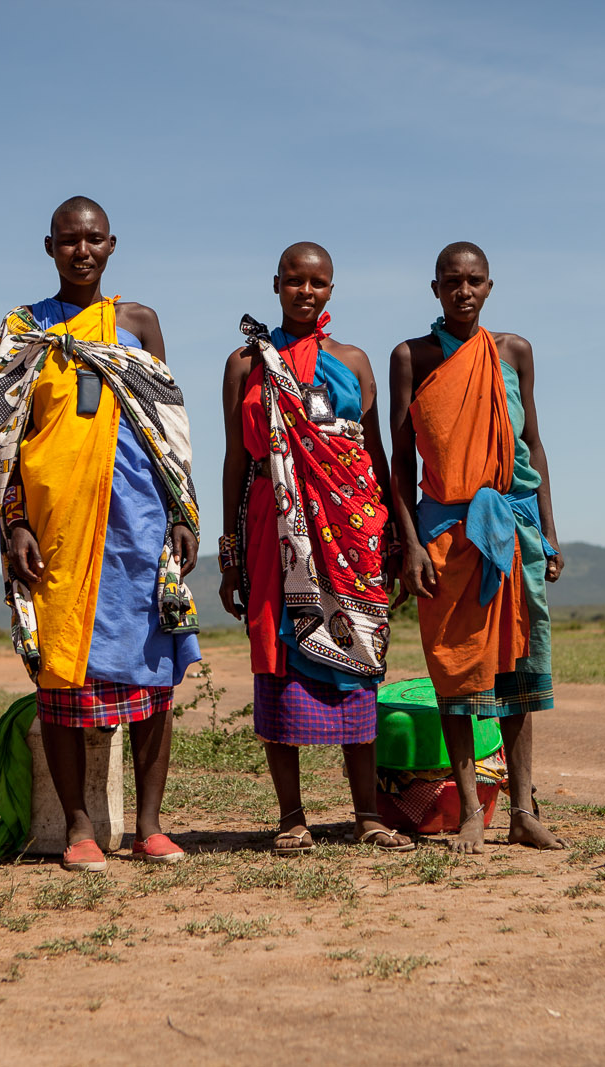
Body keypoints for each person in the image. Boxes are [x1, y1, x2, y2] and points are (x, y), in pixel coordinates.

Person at [0, 197, 200, 871]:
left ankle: (149, 824)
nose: (82, 251)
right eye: (69, 240)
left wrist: (181, 513)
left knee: (153, 672)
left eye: (94, 240)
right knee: (62, 677)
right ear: (49, 246)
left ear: (112, 246)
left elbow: (167, 429)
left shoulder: (138, 323)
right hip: (53, 529)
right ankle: (80, 826)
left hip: (138, 522)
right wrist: (15, 518)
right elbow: (7, 441)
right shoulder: (22, 333)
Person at [218, 243, 412, 854]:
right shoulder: (246, 362)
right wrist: (228, 552)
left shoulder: (352, 361)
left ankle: (367, 814)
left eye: (318, 282)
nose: (306, 291)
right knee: (278, 653)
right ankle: (291, 817)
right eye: (295, 281)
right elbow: (235, 457)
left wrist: (399, 535)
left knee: (356, 652)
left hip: (350, 528)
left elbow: (375, 453)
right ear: (276, 284)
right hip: (271, 529)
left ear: (332, 289)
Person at [387, 242, 567, 854]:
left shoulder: (513, 353)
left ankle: (523, 811)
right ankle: (470, 810)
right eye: (452, 282)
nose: (464, 291)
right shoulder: (412, 356)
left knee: (518, 672)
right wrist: (408, 542)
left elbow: (534, 444)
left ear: (490, 286)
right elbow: (401, 458)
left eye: (475, 281)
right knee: (457, 672)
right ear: (434, 289)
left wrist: (548, 530)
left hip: (512, 532)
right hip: (445, 537)